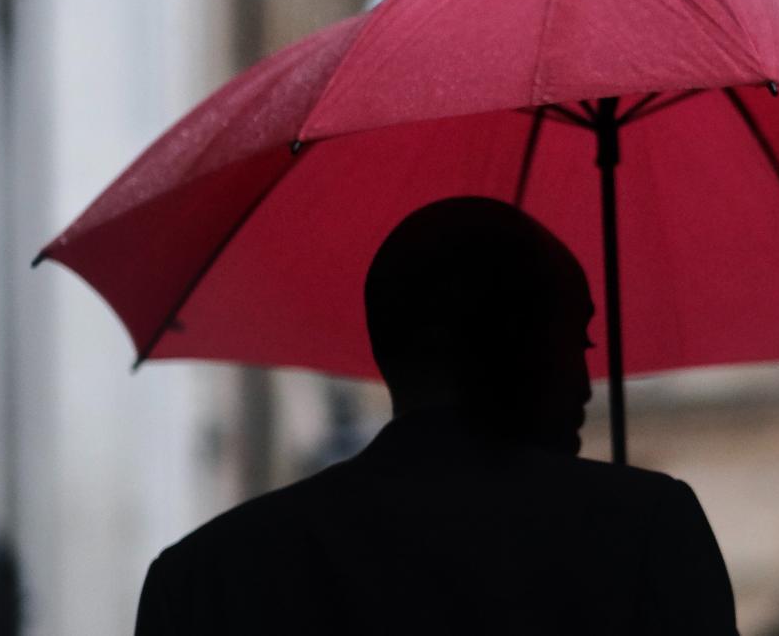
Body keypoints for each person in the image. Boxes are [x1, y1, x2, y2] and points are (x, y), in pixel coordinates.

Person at [134, 196, 738, 635]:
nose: (586, 384)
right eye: (575, 342)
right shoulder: (647, 532)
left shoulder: (203, 580)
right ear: (512, 341)